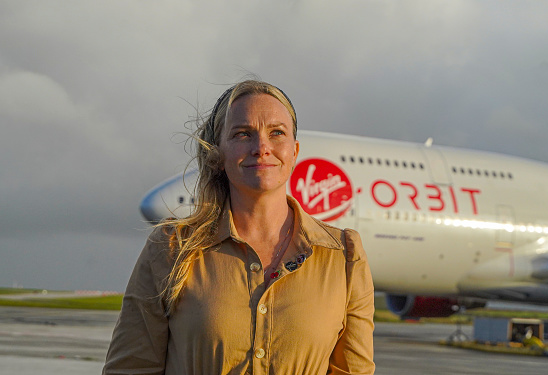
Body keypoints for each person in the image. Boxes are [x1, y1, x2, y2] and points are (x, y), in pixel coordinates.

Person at [102, 79, 375, 374]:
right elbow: (130, 368)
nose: (261, 148)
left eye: (277, 133)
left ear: (294, 152)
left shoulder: (343, 256)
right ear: (218, 155)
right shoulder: (171, 249)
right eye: (243, 134)